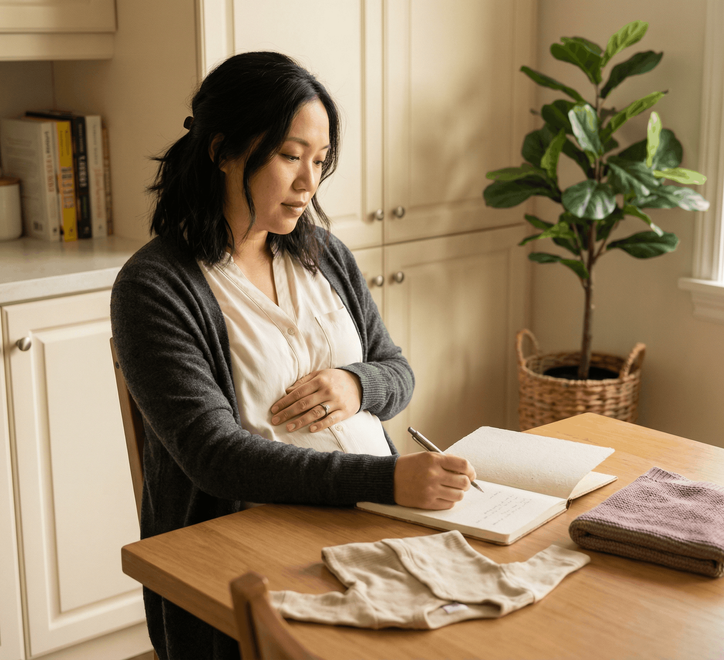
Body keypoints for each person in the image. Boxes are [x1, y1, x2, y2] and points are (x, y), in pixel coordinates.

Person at [110, 51, 477, 660]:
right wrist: (388, 480)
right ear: (222, 150)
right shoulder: (156, 286)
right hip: (257, 551)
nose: (310, 182)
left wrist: (356, 385)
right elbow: (213, 457)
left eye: (320, 160)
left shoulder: (323, 254)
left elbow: (397, 370)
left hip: (377, 524)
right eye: (289, 156)